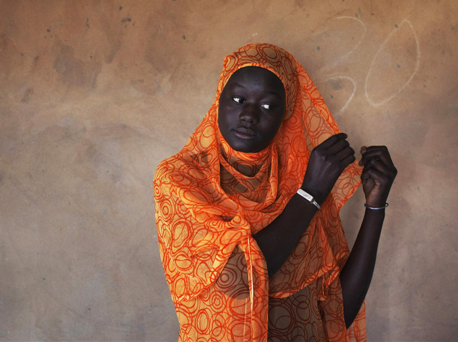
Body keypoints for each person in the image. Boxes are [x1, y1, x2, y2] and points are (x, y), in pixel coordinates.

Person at [153, 43, 397, 342]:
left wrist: (375, 208)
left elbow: (335, 315)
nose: (249, 114)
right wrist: (310, 195)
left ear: (287, 114)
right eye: (238, 98)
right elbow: (237, 281)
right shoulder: (182, 179)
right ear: (219, 100)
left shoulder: (299, 177)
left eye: (268, 105)